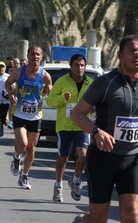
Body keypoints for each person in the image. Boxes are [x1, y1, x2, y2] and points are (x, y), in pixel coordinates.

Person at [59, 35, 138, 223]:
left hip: (131, 159)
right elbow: (77, 114)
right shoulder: (106, 82)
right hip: (102, 159)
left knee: (132, 216)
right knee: (98, 219)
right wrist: (96, 132)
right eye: (132, 50)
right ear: (120, 55)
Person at [4, 46, 52, 190]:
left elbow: (49, 90)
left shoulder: (45, 76)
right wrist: (11, 93)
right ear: (28, 55)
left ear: (41, 57)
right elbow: (8, 83)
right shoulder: (19, 72)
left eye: (38, 54)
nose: (35, 57)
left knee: (31, 148)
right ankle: (17, 156)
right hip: (19, 113)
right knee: (23, 144)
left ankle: (24, 175)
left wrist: (48, 92)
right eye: (32, 54)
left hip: (36, 115)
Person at [46, 54, 92, 202]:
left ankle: (75, 180)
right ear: (71, 67)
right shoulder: (61, 82)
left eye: (82, 65)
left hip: (83, 125)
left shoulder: (90, 84)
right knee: (63, 157)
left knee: (83, 156)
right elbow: (50, 101)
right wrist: (62, 99)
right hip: (64, 125)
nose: (79, 68)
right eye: (76, 65)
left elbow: (97, 102)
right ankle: (58, 186)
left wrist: (94, 108)